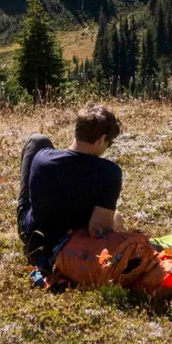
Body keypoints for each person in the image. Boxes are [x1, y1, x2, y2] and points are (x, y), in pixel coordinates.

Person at [17, 104, 124, 261]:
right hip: (70, 247)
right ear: (101, 139)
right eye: (110, 142)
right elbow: (98, 230)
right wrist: (115, 219)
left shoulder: (41, 158)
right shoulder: (109, 172)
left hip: (34, 239)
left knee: (38, 140)